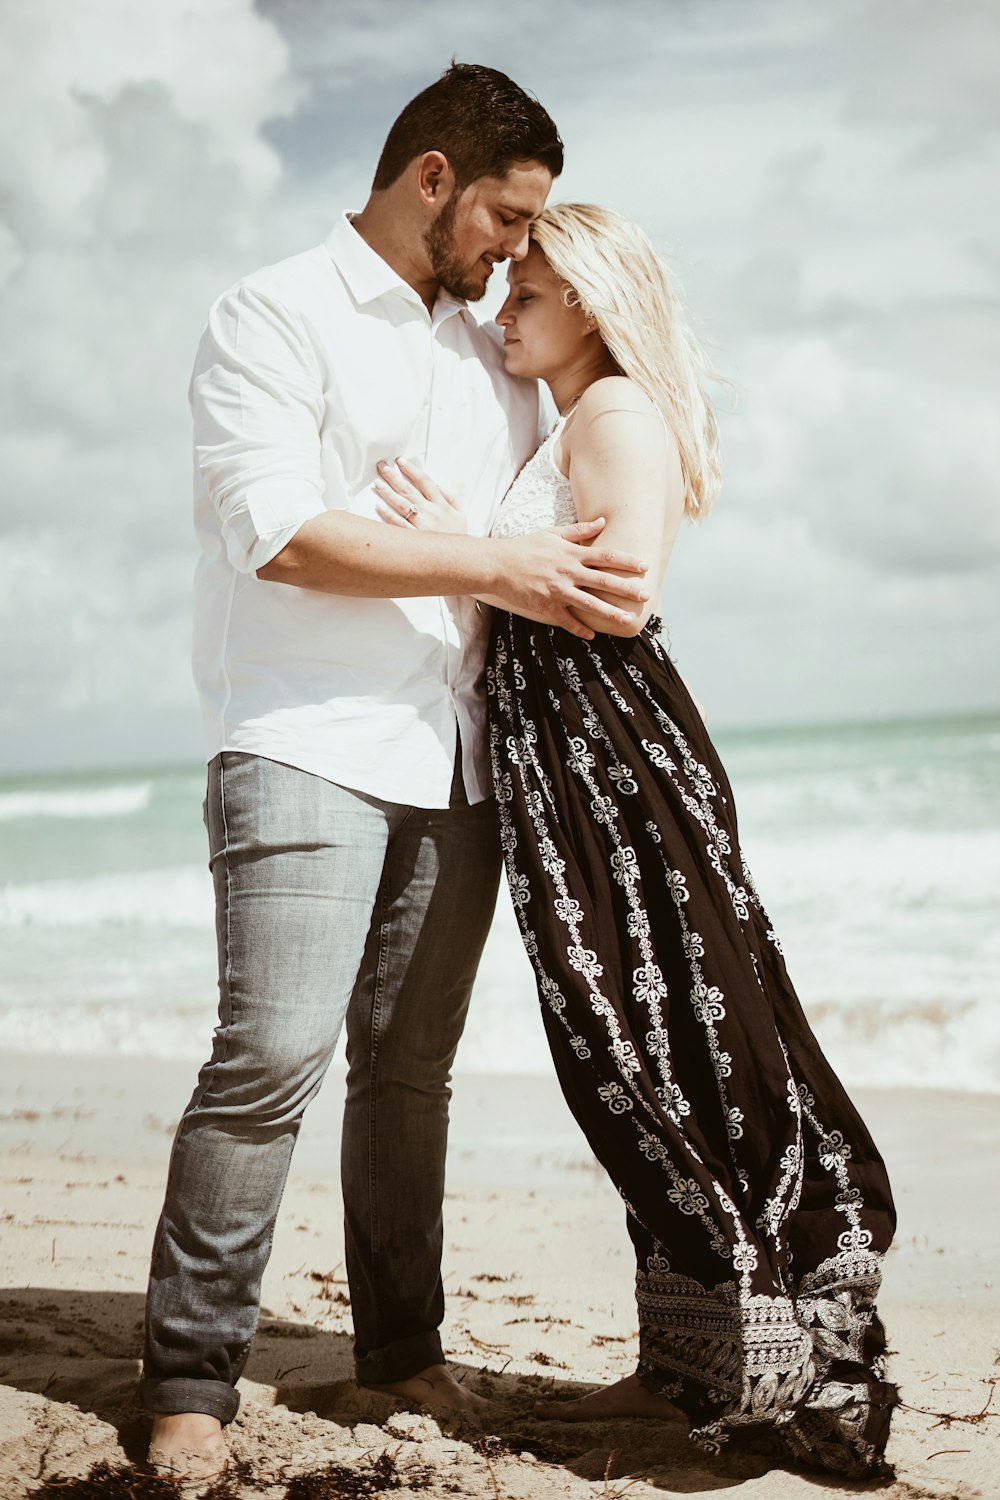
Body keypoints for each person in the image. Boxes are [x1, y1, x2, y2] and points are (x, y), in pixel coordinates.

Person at [140, 72, 654, 1481]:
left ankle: (401, 1354)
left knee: (409, 1073)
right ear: (433, 179)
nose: (513, 251)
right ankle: (190, 1380)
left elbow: (552, 529)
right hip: (303, 736)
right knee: (269, 1063)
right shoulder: (272, 314)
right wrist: (496, 562)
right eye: (504, 214)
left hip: (462, 756)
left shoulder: (492, 364)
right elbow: (278, 534)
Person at [372, 203, 898, 1478]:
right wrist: (465, 543)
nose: (506, 310)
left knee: (662, 1046)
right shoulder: (579, 416)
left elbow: (622, 592)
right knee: (629, 1048)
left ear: (594, 305)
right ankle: (683, 1361)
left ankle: (734, 1365)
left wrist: (447, 540)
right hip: (575, 754)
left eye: (531, 294)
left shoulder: (609, 414)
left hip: (612, 756)